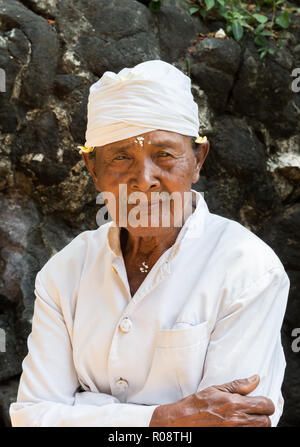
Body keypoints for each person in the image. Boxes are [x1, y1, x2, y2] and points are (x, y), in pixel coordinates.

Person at [9, 60, 290, 427]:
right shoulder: (65, 273)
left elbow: (228, 424)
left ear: (197, 160)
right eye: (121, 157)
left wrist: (84, 411)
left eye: (165, 155)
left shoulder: (248, 269)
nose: (145, 180)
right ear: (92, 169)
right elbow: (31, 417)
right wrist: (165, 418)